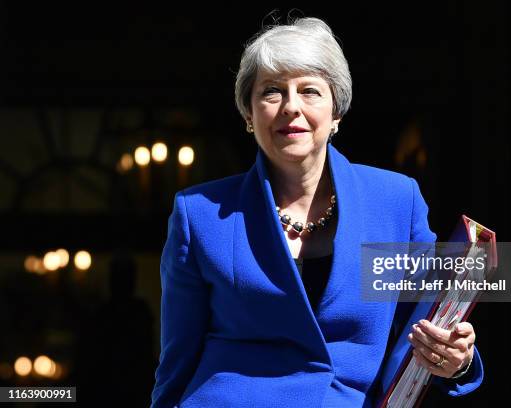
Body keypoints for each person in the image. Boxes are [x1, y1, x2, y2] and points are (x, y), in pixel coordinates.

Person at [151, 16, 482, 408]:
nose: (291, 107)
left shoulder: (395, 200)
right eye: (271, 92)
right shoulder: (199, 215)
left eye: (309, 91)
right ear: (248, 115)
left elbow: (430, 318)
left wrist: (456, 358)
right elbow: (177, 358)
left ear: (336, 112)